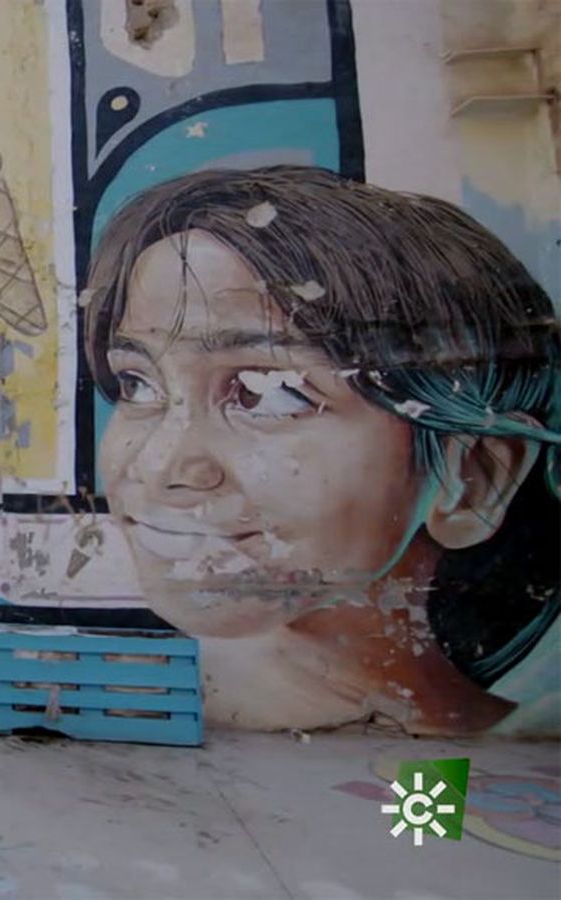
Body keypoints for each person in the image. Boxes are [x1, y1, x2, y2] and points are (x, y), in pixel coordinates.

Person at [82, 165, 561, 735]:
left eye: (267, 393)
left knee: (418, 826)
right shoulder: (141, 706)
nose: (160, 466)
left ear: (472, 478)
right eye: (139, 384)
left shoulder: (459, 768)